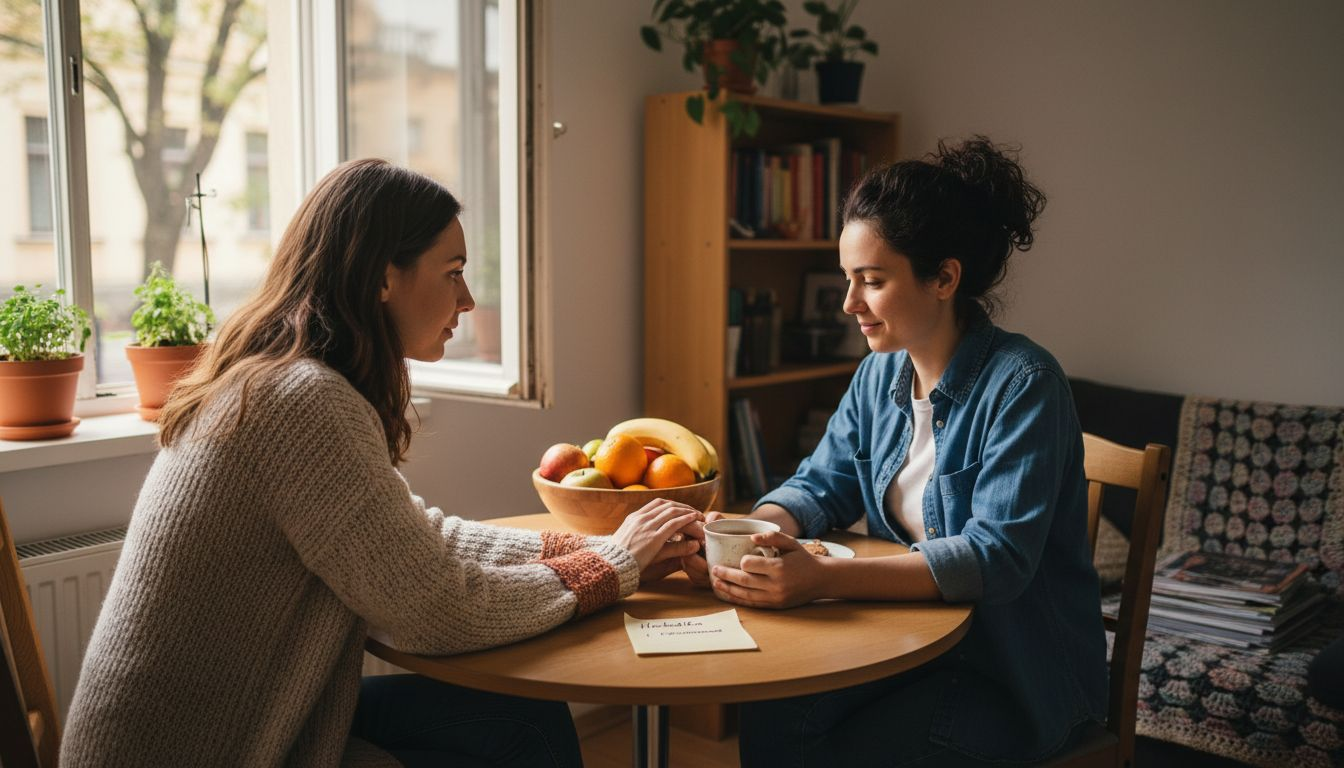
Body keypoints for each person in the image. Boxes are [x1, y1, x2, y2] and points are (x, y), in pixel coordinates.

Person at [61, 159, 704, 767]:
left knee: (525, 722)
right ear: (381, 276)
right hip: (205, 752)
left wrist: (582, 545)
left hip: (236, 728)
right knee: (528, 731)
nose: (470, 300)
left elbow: (420, 539)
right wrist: (612, 564)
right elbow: (434, 610)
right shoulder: (300, 402)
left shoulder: (284, 383)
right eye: (452, 271)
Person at [684, 137, 1107, 766]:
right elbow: (821, 484)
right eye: (848, 280)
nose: (850, 303)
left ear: (944, 278)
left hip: (1013, 675)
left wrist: (824, 578)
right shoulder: (878, 375)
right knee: (775, 712)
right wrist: (751, 533)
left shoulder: (1025, 384)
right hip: (912, 645)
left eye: (872, 281)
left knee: (856, 749)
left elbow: (997, 558)